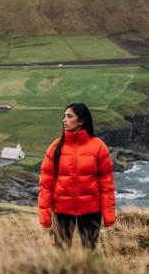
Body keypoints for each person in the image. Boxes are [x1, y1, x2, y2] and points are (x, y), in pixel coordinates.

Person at [38, 103, 116, 249]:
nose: (64, 120)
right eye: (64, 116)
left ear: (81, 121)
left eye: (69, 116)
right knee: (61, 253)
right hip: (62, 210)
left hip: (91, 210)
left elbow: (107, 185)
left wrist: (109, 216)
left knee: (89, 253)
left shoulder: (98, 146)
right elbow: (46, 185)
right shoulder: (55, 147)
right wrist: (45, 216)